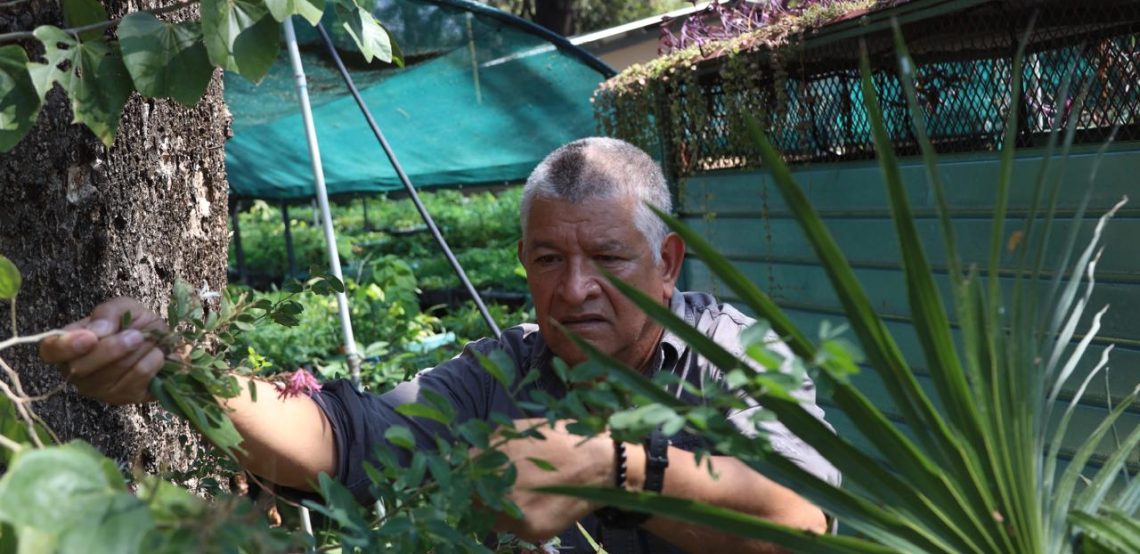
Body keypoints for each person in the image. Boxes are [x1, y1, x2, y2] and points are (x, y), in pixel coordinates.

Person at [40, 137, 838, 553]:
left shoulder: (737, 360)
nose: (573, 289)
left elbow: (809, 527)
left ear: (665, 265)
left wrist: (614, 468)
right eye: (549, 260)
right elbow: (340, 440)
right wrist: (181, 374)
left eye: (607, 259)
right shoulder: (501, 374)